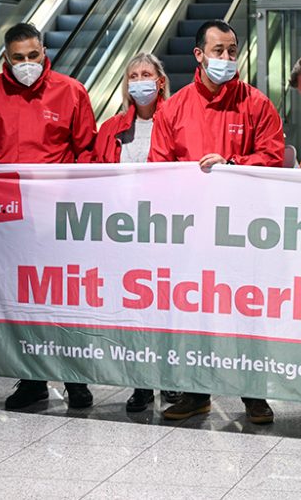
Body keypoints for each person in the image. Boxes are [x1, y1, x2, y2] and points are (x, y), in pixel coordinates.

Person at [149, 19, 283, 425]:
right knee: (194, 312)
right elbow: (158, 169)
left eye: (232, 50)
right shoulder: (173, 108)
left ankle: (254, 395)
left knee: (247, 313)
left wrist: (232, 165)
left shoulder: (256, 103)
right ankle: (195, 393)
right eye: (218, 51)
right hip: (192, 232)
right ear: (199, 55)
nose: (227, 58)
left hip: (244, 232)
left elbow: (275, 158)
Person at [0, 22, 97, 411]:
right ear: (6, 57)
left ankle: (77, 380)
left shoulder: (71, 92)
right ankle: (32, 379)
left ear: (44, 52)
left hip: (60, 218)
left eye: (32, 56)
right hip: (7, 222)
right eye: (17, 58)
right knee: (21, 301)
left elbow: (87, 151)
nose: (26, 64)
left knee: (66, 300)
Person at [86, 52, 183, 412]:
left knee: (169, 309)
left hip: (167, 230)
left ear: (160, 81)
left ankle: (172, 380)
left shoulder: (177, 121)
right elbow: (96, 174)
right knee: (135, 310)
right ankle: (140, 382)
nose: (139, 80)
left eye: (146, 74)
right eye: (133, 75)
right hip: (124, 233)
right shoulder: (111, 128)